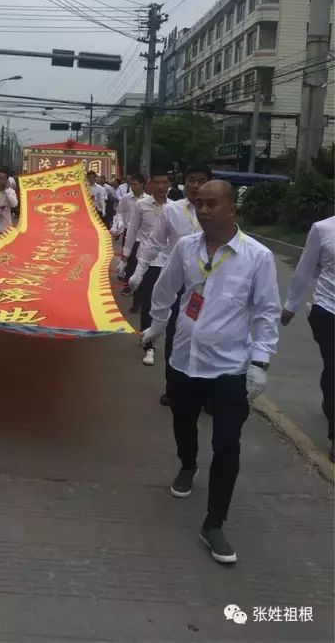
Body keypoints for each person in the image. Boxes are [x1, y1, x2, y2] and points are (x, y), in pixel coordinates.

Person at [142, 180, 280, 564]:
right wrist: (156, 325)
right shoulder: (186, 248)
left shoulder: (258, 256)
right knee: (183, 421)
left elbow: (266, 313)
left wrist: (260, 363)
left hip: (230, 367)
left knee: (227, 443)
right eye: (199, 203)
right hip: (184, 359)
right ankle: (188, 464)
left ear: (231, 208)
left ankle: (214, 522)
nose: (203, 210)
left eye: (212, 204)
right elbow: (166, 289)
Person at [129, 163, 212, 404]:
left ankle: (206, 392)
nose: (196, 185)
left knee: (207, 338)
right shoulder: (172, 211)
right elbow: (154, 243)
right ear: (184, 183)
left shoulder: (216, 212)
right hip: (180, 285)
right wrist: (139, 271)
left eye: (201, 181)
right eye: (192, 180)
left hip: (211, 287)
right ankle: (174, 388)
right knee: (176, 336)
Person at [281, 215, 335, 462]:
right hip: (328, 309)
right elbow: (305, 268)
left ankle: (330, 401)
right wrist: (291, 305)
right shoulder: (323, 229)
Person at [123, 172, 170, 365]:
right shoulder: (141, 205)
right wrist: (125, 257)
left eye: (165, 183)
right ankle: (148, 346)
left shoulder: (175, 208)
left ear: (169, 185)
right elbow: (133, 230)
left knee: (168, 305)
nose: (161, 186)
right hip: (146, 261)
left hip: (169, 262)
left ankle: (166, 341)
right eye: (157, 182)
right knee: (147, 303)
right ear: (150, 185)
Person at [116, 173, 147, 309]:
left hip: (143, 239)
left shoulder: (148, 200)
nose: (132, 187)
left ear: (142, 184)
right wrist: (120, 225)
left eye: (135, 184)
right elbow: (120, 212)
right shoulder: (126, 198)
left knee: (139, 266)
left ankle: (137, 299)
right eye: (131, 184)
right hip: (129, 235)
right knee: (128, 262)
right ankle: (127, 286)